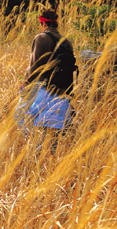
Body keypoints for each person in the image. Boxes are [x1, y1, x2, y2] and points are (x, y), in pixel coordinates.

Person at [15, 8, 76, 152]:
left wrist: (25, 85)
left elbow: (34, 66)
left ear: (43, 23)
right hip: (62, 89)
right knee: (50, 126)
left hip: (42, 87)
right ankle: (50, 154)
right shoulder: (66, 41)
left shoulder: (41, 38)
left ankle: (34, 146)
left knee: (19, 115)